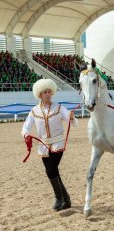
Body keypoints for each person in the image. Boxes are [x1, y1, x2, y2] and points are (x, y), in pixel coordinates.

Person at [21, 78, 78, 211]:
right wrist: (26, 135)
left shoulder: (59, 108)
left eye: (49, 92)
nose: (47, 94)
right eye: (44, 92)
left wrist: (71, 118)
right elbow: (25, 128)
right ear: (39, 94)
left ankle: (58, 198)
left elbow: (73, 122)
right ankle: (67, 200)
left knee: (50, 170)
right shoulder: (34, 111)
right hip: (43, 146)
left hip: (58, 143)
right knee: (54, 172)